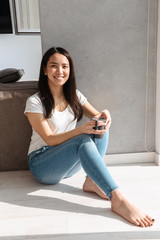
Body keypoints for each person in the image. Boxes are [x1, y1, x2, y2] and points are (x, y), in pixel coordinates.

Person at [24, 47, 155, 228]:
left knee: (99, 126)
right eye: (54, 66)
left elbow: (97, 116)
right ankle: (117, 199)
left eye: (65, 66)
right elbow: (49, 139)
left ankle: (92, 181)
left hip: (67, 167)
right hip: (42, 164)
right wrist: (80, 131)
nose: (60, 71)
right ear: (45, 70)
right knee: (83, 138)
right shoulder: (35, 102)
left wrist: (105, 114)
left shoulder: (74, 96)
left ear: (70, 70)